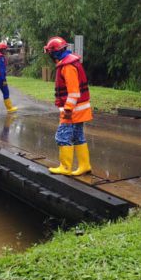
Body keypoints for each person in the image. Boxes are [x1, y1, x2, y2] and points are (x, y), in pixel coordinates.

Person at [44, 36, 92, 176]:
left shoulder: (68, 66)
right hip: (79, 109)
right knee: (78, 136)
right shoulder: (70, 62)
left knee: (62, 137)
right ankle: (85, 165)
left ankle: (65, 167)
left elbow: (74, 92)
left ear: (55, 52)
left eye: (50, 53)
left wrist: (68, 110)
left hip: (72, 110)